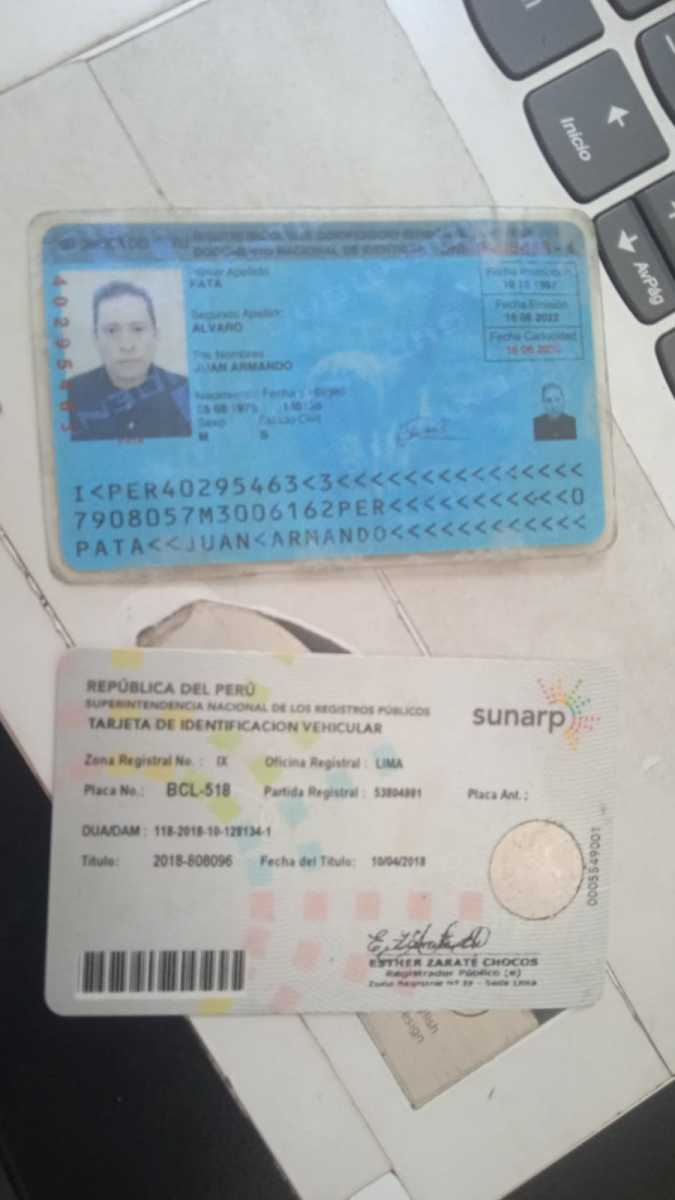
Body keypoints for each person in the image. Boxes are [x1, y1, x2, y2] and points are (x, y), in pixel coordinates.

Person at [68, 281, 191, 441]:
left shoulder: (188, 394)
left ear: (156, 335)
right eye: (111, 331)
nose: (126, 345)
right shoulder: (69, 395)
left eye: (138, 329)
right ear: (95, 338)